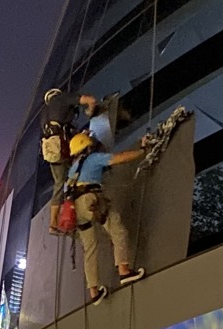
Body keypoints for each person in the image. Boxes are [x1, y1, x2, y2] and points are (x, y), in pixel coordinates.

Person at [65, 130, 147, 304]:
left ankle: (94, 291)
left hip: (75, 209)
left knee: (90, 248)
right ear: (87, 147)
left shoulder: (72, 170)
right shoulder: (93, 158)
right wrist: (142, 151)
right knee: (117, 230)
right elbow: (119, 158)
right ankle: (124, 271)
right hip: (91, 200)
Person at [41, 88, 97, 234]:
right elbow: (89, 100)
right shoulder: (61, 99)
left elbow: (63, 129)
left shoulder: (45, 115)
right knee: (77, 171)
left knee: (59, 184)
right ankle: (76, 212)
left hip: (50, 151)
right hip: (62, 148)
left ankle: (54, 223)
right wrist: (90, 111)